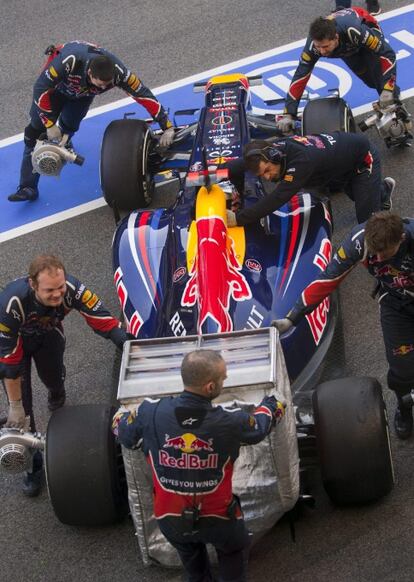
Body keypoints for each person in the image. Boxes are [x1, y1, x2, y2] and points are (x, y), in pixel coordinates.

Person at [113, 349, 285, 582]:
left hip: (170, 518)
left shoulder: (149, 411)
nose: (225, 381)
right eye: (223, 378)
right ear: (210, 387)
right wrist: (272, 405)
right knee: (235, 548)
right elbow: (260, 426)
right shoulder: (228, 421)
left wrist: (118, 419)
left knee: (191, 557)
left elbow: (123, 432)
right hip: (220, 519)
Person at [272, 211, 414, 440]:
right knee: (402, 368)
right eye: (374, 252)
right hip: (395, 304)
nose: (376, 258)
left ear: (401, 240)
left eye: (384, 254)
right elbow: (328, 279)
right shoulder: (359, 241)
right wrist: (292, 316)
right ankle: (405, 407)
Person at [0, 254, 128, 496]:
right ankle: (33, 465)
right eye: (49, 290)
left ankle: (56, 390)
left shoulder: (73, 288)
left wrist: (132, 346)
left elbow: (105, 322)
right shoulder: (10, 303)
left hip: (48, 336)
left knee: (53, 378)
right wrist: (15, 405)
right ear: (32, 284)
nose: (58, 294)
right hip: (14, 346)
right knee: (22, 413)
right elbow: (9, 363)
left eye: (60, 287)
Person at [8, 41, 175, 202]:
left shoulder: (120, 74)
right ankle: (27, 188)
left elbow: (143, 95)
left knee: (69, 126)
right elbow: (40, 87)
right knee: (34, 132)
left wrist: (166, 126)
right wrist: (49, 123)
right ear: (89, 73)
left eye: (107, 84)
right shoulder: (70, 61)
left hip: (81, 97)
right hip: (54, 92)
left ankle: (65, 143)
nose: (103, 88)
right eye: (100, 84)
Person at [226, 133, 394, 227]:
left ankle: (382, 192)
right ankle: (377, 191)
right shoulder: (269, 150)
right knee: (355, 194)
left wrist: (239, 218)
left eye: (267, 171)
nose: (268, 177)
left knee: (369, 228)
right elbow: (234, 167)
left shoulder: (302, 162)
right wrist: (238, 193)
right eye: (262, 176)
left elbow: (277, 198)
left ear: (274, 157)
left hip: (361, 162)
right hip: (333, 167)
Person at [276, 8, 397, 133]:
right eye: (319, 46)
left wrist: (388, 88)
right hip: (348, 51)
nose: (322, 52)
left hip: (366, 31)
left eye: (325, 46)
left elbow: (387, 54)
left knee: (380, 81)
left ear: (336, 38)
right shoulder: (312, 46)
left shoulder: (354, 31)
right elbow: (301, 76)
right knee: (370, 82)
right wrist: (289, 113)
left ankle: (397, 115)